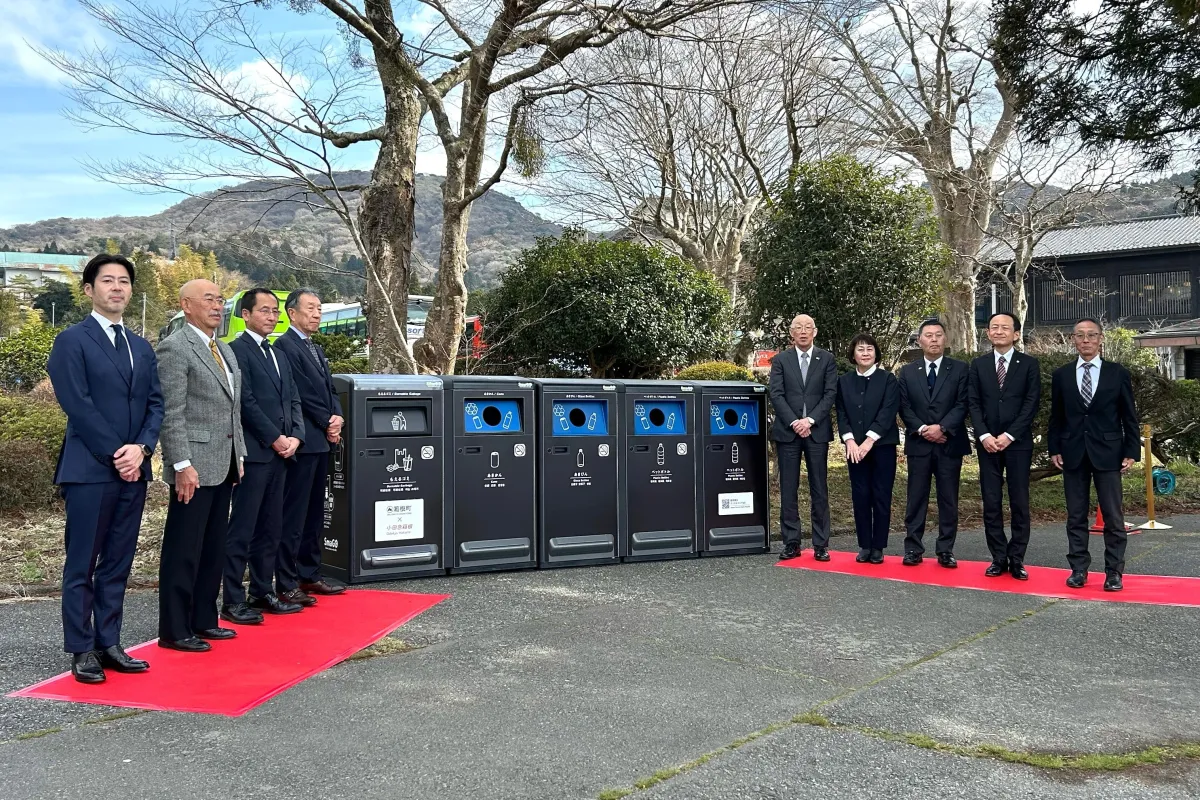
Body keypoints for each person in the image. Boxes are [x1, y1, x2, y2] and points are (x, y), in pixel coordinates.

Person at [47, 254, 163, 684]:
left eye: (124, 281)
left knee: (118, 561)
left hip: (134, 468)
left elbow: (156, 403)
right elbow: (77, 405)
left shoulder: (140, 346)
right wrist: (119, 453)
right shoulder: (71, 341)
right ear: (89, 289)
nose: (117, 287)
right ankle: (82, 648)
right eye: (108, 280)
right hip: (90, 470)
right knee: (82, 562)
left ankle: (109, 641)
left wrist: (143, 448)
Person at [157, 279, 247, 652]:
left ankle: (204, 619)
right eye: (208, 299)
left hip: (224, 462)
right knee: (184, 548)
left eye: (220, 299)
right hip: (192, 465)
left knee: (212, 547)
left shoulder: (223, 349)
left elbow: (232, 409)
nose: (217, 306)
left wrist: (239, 454)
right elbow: (171, 412)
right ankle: (175, 629)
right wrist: (181, 463)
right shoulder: (175, 347)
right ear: (186, 305)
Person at [220, 289, 304, 625]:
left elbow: (293, 398)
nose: (272, 316)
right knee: (243, 528)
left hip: (282, 455)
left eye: (275, 311)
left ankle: (262, 591)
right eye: (265, 310)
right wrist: (274, 438)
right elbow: (245, 403)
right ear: (246, 314)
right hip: (255, 454)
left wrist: (296, 436)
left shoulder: (278, 353)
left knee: (271, 527)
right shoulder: (235, 351)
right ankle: (233, 599)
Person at [1049, 317, 1140, 592]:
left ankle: (1114, 572)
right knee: (1075, 515)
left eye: (1091, 335)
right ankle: (1078, 569)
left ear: (1101, 339)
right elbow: (1057, 416)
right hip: (1073, 452)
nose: (1086, 340)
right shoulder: (1062, 374)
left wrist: (1131, 450)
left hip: (1109, 452)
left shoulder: (1117, 372)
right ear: (1073, 340)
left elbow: (1129, 415)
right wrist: (1054, 448)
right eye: (1080, 335)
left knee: (1113, 516)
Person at [273, 288, 346, 603]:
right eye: (311, 308)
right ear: (292, 312)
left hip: (322, 441)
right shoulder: (284, 345)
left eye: (319, 308)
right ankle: (287, 579)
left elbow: (330, 389)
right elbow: (300, 392)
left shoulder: (314, 347)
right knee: (295, 513)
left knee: (316, 512)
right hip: (302, 440)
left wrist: (338, 417)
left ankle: (310, 574)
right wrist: (327, 420)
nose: (317, 314)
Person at [968, 312, 1041, 580]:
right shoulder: (979, 365)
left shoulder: (1029, 364)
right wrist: (984, 435)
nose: (999, 331)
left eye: (1005, 328)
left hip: (1018, 443)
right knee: (991, 501)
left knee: (1019, 501)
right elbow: (973, 402)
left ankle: (1017, 558)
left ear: (1016, 334)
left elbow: (1031, 403)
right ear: (988, 333)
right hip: (987, 444)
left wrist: (1010, 435)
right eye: (994, 327)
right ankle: (998, 557)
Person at [898, 319, 970, 568]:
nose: (934, 339)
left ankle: (946, 549)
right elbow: (904, 406)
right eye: (928, 335)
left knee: (948, 498)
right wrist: (922, 429)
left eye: (938, 335)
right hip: (919, 444)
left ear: (945, 338)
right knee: (916, 497)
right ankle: (913, 548)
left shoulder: (960, 369)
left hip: (949, 443)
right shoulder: (908, 371)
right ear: (920, 340)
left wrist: (942, 428)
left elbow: (963, 403)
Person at [769, 314, 837, 561]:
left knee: (819, 488)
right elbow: (776, 394)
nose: (803, 331)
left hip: (816, 432)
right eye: (798, 327)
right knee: (789, 488)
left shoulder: (826, 359)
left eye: (808, 327)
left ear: (815, 332)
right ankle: (791, 542)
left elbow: (830, 393)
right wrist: (795, 422)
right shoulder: (781, 360)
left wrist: (810, 421)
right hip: (789, 432)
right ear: (792, 333)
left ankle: (821, 544)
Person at [835, 333, 900, 564]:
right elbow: (841, 412)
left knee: (881, 495)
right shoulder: (844, 381)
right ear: (853, 354)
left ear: (876, 354)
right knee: (860, 495)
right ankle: (864, 545)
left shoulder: (888, 379)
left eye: (870, 349)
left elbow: (888, 411)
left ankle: (878, 546)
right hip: (854, 448)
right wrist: (850, 441)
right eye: (860, 349)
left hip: (882, 446)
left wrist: (869, 441)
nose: (865, 353)